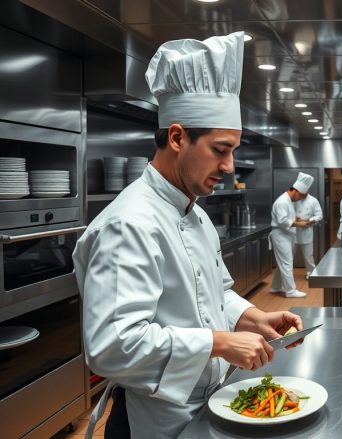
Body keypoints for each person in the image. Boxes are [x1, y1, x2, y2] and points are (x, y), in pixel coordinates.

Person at [72, 32, 303, 439]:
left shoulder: (193, 213)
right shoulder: (129, 224)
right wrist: (219, 343)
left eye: (233, 151)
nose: (229, 166)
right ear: (178, 138)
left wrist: (253, 317)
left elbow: (212, 294)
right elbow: (112, 346)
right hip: (155, 420)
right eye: (220, 149)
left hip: (207, 403)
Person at [270, 172, 315, 298]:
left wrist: (296, 219)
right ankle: (290, 291)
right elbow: (282, 221)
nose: (300, 199)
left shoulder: (289, 200)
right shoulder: (282, 201)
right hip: (281, 235)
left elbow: (287, 217)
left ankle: (275, 287)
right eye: (300, 196)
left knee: (284, 262)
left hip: (287, 235)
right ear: (295, 191)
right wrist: (299, 224)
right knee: (287, 262)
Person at [294, 191, 323, 279]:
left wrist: (308, 221)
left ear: (307, 191)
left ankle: (311, 273)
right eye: (299, 193)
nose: (300, 195)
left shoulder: (313, 200)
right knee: (289, 255)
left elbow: (319, 216)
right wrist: (294, 219)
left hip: (306, 231)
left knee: (308, 256)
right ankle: (287, 275)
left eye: (302, 193)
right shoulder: (294, 199)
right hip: (293, 231)